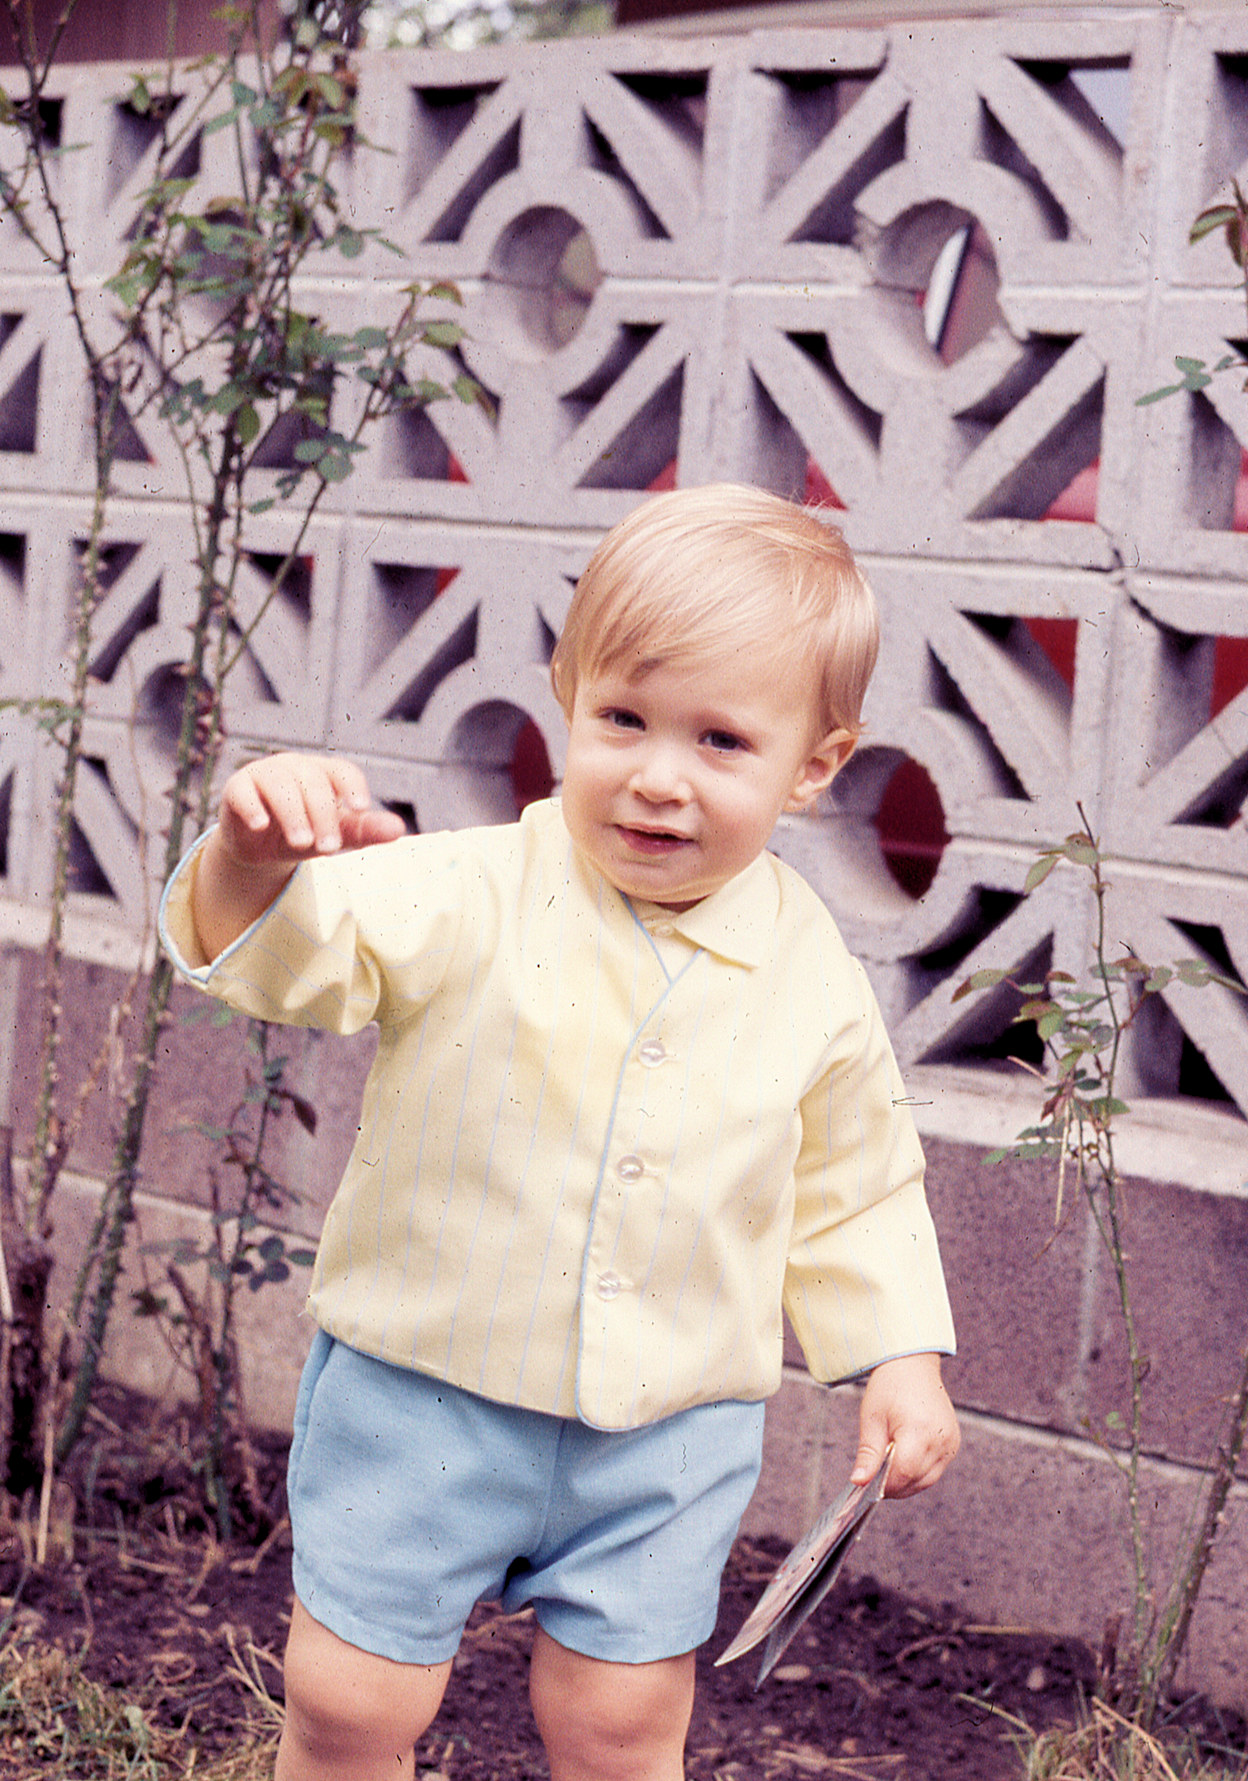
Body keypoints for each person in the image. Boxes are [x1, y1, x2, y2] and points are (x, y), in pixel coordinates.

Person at [159, 483, 960, 1781]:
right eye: (623, 718)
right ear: (565, 697)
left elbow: (856, 1177)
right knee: (354, 1696)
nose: (657, 775)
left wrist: (899, 1356)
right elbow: (287, 958)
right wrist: (253, 859)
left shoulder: (807, 966)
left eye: (719, 741)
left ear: (813, 765)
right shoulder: (470, 887)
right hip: (423, 1391)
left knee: (623, 1721)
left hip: (668, 1428)